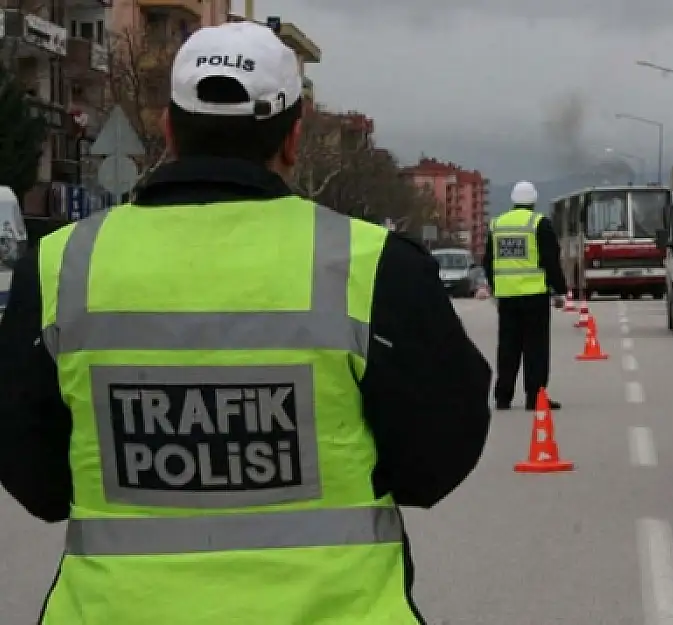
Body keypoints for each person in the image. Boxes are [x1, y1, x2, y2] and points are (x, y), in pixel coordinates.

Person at [0, 21, 491, 625]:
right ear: (292, 138)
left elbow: (33, 472)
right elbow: (438, 456)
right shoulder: (371, 266)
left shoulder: (60, 267)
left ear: (169, 130)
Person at [483, 181, 569, 411]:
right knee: (536, 348)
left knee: (508, 347)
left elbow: (487, 261)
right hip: (534, 296)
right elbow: (550, 259)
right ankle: (535, 397)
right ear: (533, 201)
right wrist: (560, 289)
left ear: (513, 200)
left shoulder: (497, 224)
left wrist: (495, 285)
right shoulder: (539, 223)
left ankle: (503, 397)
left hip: (507, 297)